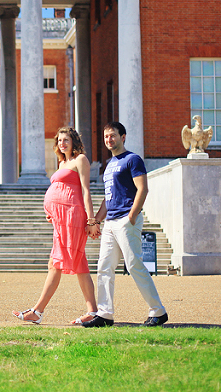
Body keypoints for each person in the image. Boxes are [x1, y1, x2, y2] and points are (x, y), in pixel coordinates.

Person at [82, 121, 168, 328]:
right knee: (104, 267)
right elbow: (107, 198)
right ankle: (105, 314)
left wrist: (132, 216)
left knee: (134, 264)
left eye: (112, 135)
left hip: (126, 220)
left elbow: (142, 189)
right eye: (106, 136)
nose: (109, 139)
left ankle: (158, 311)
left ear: (123, 137)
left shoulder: (132, 159)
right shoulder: (109, 165)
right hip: (110, 222)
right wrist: (96, 221)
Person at [12, 127, 98, 325]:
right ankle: (92, 311)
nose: (62, 143)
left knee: (55, 264)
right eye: (59, 140)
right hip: (61, 220)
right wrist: (52, 211)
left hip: (73, 216)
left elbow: (85, 190)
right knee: (79, 264)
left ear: (74, 141)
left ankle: (38, 311)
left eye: (66, 139)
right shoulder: (62, 163)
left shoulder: (80, 160)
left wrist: (91, 220)